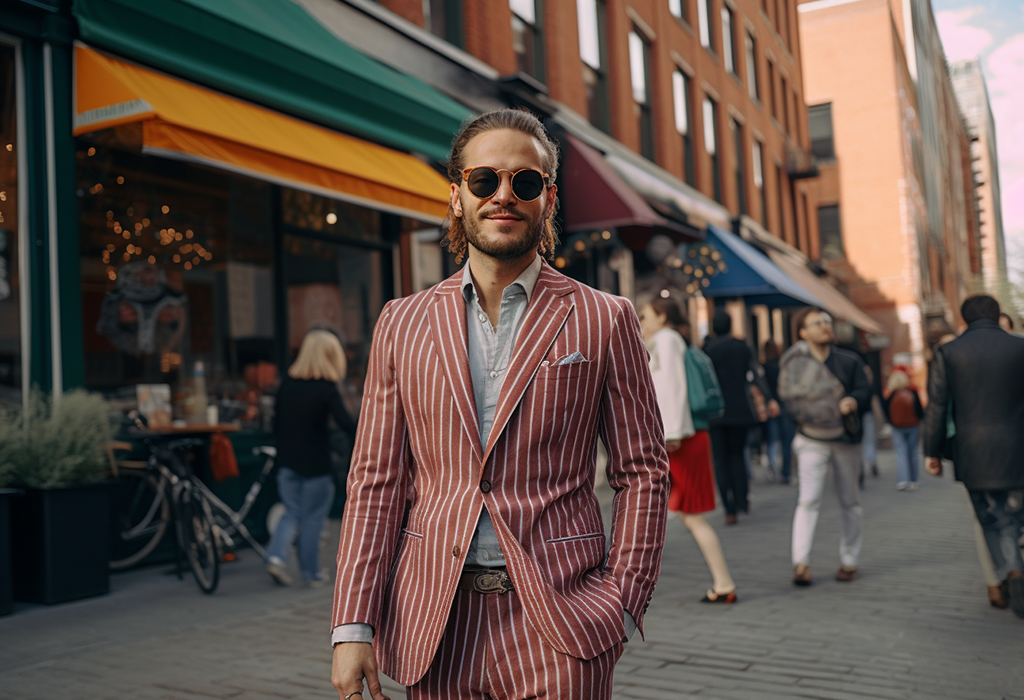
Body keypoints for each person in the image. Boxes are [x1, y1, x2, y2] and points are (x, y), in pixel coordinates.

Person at [330, 109, 670, 700]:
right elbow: (375, 483)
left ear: (549, 198)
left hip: (562, 622)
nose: (504, 196)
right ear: (457, 194)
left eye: (526, 182)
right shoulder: (400, 322)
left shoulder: (604, 317)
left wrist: (620, 601)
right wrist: (353, 625)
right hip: (435, 625)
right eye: (485, 180)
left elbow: (643, 471)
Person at [922, 294, 1024, 619]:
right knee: (1015, 516)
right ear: (997, 315)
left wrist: (931, 451)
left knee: (990, 518)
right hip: (1018, 448)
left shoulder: (949, 352)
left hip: (973, 451)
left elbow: (937, 405)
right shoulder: (1020, 347)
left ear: (965, 318)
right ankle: (1016, 568)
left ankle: (1011, 572)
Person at [639, 298, 738, 604]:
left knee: (689, 515)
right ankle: (722, 583)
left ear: (662, 315)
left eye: (644, 315)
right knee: (679, 513)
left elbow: (672, 388)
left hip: (680, 437)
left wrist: (671, 434)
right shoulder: (668, 340)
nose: (641, 321)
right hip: (683, 434)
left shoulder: (666, 340)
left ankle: (724, 583)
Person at [777, 308, 871, 586]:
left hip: (844, 440)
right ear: (803, 333)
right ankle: (801, 563)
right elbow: (786, 396)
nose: (824, 326)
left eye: (827, 322)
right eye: (817, 323)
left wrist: (853, 400)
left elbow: (865, 390)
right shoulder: (794, 362)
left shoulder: (849, 360)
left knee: (850, 501)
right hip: (810, 439)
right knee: (808, 500)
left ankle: (849, 560)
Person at [267, 329, 357, 588]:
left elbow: (276, 425)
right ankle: (311, 574)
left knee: (291, 513)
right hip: (317, 465)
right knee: (313, 519)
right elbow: (348, 426)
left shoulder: (287, 385)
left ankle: (275, 557)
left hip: (287, 462)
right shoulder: (326, 389)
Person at [704, 311, 777, 525]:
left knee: (720, 459)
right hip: (739, 409)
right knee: (737, 455)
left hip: (715, 411)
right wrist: (768, 398)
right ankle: (741, 500)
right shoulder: (742, 347)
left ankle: (728, 509)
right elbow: (754, 373)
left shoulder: (708, 350)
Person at [882, 368, 924, 491]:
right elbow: (920, 411)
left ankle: (903, 480)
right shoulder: (913, 392)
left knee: (901, 453)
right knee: (913, 453)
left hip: (897, 427)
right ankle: (914, 480)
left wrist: (890, 422)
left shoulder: (891, 395)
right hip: (913, 426)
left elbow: (886, 411)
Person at [763, 339, 795, 484]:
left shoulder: (763, 368)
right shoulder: (782, 366)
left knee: (772, 440)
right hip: (784, 405)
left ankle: (774, 469)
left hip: (770, 405)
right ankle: (786, 472)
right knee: (786, 441)